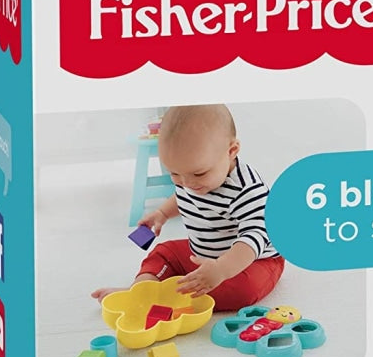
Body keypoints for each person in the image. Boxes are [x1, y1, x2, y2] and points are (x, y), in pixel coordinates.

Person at [92, 104, 284, 311]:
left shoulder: (247, 190)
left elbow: (254, 237)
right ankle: (140, 291)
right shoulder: (190, 175)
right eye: (174, 174)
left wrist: (221, 270)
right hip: (203, 253)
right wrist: (162, 213)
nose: (187, 183)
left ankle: (169, 298)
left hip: (252, 261)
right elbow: (183, 196)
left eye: (199, 174)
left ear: (231, 151)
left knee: (244, 289)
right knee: (164, 252)